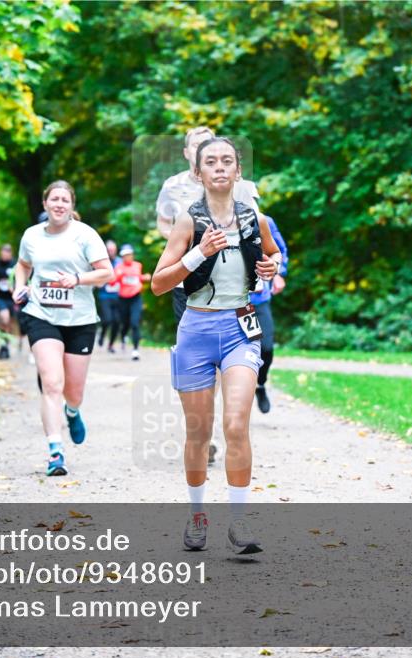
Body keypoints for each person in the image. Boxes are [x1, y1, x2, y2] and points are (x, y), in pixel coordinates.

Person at [151, 137, 282, 555]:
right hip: (196, 330)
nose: (221, 168)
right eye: (212, 162)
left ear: (237, 171)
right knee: (198, 431)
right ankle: (197, 516)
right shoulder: (187, 222)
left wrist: (269, 266)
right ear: (200, 172)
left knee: (236, 424)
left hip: (240, 329)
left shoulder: (253, 217)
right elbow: (158, 284)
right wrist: (197, 255)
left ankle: (240, 524)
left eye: (228, 161)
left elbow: (272, 253)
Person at [14, 181, 115, 476]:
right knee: (52, 383)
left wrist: (77, 279)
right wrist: (20, 287)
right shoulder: (32, 235)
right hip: (41, 315)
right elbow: (23, 265)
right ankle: (55, 452)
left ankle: (72, 412)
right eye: (54, 199)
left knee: (74, 392)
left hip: (80, 320)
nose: (59, 204)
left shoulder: (85, 235)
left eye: (65, 200)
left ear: (72, 206)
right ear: (45, 204)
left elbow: (106, 273)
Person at [155, 127, 264, 328]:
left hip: (234, 276)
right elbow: (162, 222)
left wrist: (267, 262)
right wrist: (188, 243)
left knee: (257, 349)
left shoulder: (239, 184)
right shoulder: (172, 185)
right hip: (188, 274)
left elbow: (257, 224)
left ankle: (244, 354)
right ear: (187, 152)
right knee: (190, 338)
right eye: (197, 145)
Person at [248, 216, 288, 413]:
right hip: (236, 304)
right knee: (246, 348)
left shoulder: (265, 221)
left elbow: (279, 251)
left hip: (260, 300)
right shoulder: (219, 219)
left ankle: (260, 384)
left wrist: (279, 273)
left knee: (266, 347)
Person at [111, 244, 151, 360]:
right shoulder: (119, 268)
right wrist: (117, 276)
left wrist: (145, 277)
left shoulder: (138, 265)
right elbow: (112, 283)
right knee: (124, 324)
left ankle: (135, 350)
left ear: (132, 255)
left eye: (129, 255)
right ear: (122, 257)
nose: (127, 257)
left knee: (135, 323)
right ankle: (123, 336)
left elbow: (138, 278)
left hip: (136, 298)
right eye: (124, 255)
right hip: (123, 299)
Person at [97, 240, 121, 349]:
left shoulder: (120, 262)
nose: (111, 252)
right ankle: (102, 334)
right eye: (109, 250)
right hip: (104, 296)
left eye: (113, 250)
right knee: (107, 319)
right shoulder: (101, 263)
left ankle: (111, 344)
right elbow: (95, 278)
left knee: (117, 321)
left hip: (118, 296)